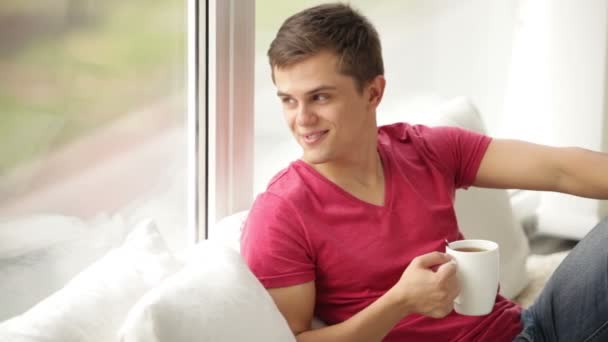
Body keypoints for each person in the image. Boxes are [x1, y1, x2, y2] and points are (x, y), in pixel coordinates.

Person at [240, 3, 608, 341]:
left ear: (373, 93)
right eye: (288, 100)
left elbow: (560, 169)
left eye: (320, 97)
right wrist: (399, 302)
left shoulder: (424, 150)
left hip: (528, 330)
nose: (301, 119)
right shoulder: (280, 214)